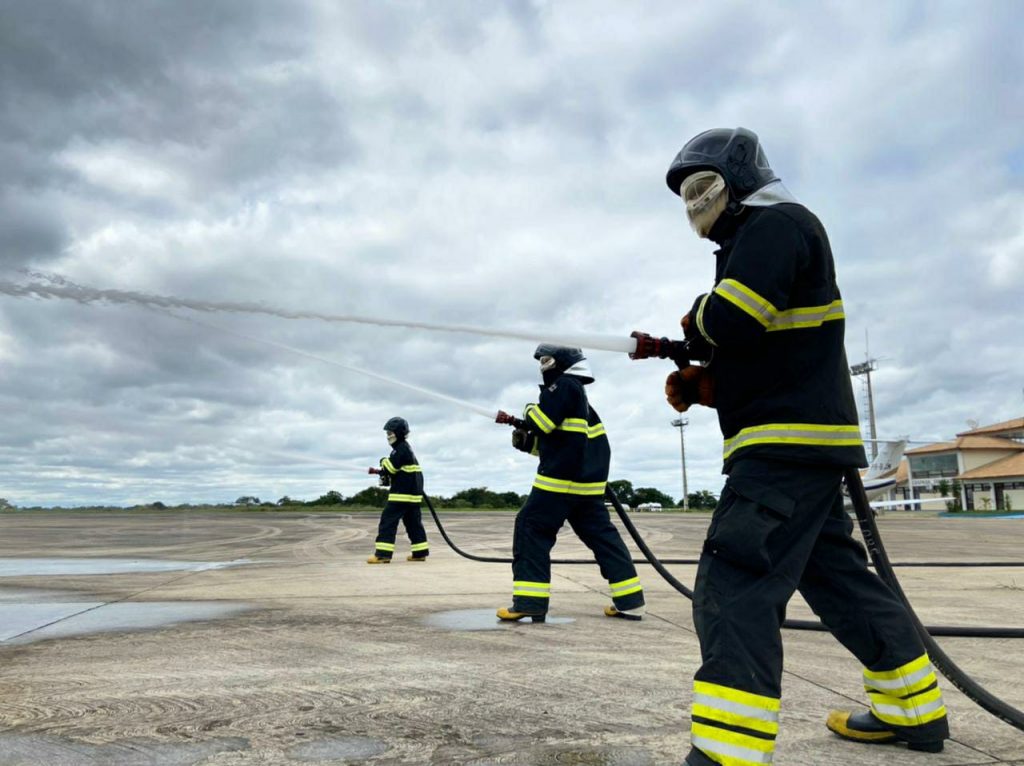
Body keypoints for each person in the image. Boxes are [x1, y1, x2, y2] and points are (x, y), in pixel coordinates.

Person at [663, 128, 949, 764]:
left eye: (702, 187)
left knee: (735, 584)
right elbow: (776, 347)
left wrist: (698, 319)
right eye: (685, 194)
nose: (694, 203)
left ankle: (727, 754)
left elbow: (734, 318)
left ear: (739, 180)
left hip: (783, 449)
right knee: (840, 582)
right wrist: (714, 385)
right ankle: (914, 712)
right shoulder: (767, 236)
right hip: (806, 442)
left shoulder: (775, 223)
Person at [496, 345, 645, 623]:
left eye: (545, 360)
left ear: (561, 361)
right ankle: (631, 602)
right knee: (604, 539)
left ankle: (530, 602)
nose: (542, 366)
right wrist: (528, 442)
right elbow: (564, 443)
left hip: (559, 483)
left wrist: (528, 410)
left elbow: (542, 422)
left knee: (531, 528)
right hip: (588, 487)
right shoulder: (582, 402)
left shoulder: (564, 385)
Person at [366, 417, 430, 564]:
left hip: (401, 495)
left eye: (390, 433)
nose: (388, 436)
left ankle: (382, 555)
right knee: (414, 524)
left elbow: (390, 468)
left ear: (399, 433)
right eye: (387, 433)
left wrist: (383, 461)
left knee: (388, 522)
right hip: (413, 496)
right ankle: (419, 553)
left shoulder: (400, 449)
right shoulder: (407, 449)